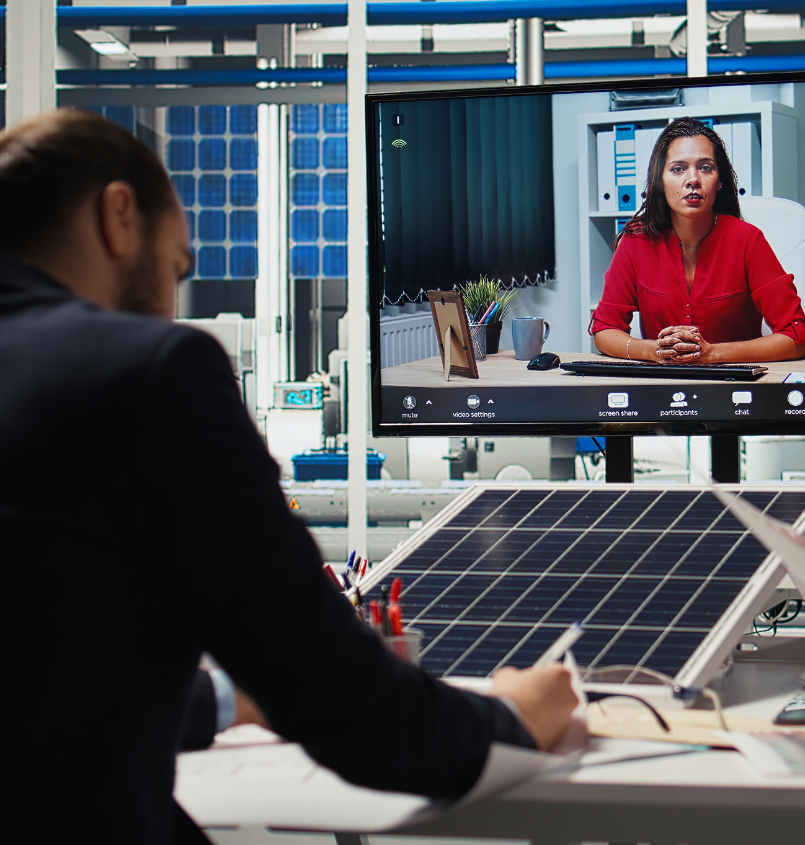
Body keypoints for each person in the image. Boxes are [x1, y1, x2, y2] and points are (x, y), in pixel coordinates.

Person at [1, 110, 577, 845]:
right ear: (118, 216)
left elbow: (42, 673)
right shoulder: (147, 370)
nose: (171, 301)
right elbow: (344, 703)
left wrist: (223, 699)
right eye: (176, 269)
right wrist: (513, 717)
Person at [590, 116, 805, 364]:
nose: (692, 180)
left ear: (720, 180)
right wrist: (654, 351)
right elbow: (604, 329)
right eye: (678, 169)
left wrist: (712, 354)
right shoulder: (636, 240)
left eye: (705, 167)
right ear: (660, 181)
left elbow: (797, 335)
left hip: (737, 391)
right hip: (661, 386)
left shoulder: (748, 240)